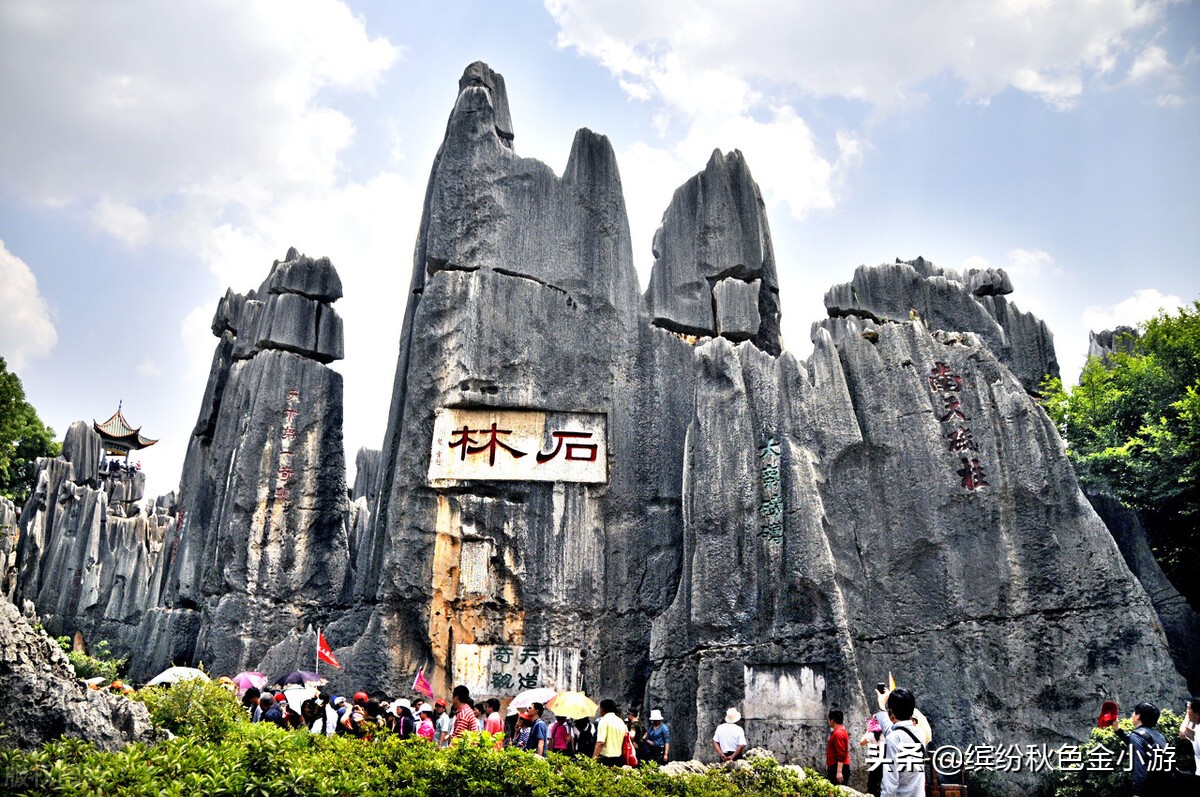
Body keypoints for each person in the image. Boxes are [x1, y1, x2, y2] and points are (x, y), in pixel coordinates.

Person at [1114, 702, 1168, 796]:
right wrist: (1118, 729)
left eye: (1134, 712)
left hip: (1149, 788)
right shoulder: (1159, 736)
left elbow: (1139, 767)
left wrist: (1137, 793)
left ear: (1138, 716)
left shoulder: (1137, 736)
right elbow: (1140, 744)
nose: (1132, 715)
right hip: (1164, 785)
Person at [881, 688, 925, 797]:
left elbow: (890, 782)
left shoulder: (893, 738)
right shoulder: (920, 733)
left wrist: (882, 708)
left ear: (891, 712)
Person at [593, 699, 627, 766]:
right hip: (619, 758)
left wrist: (593, 759)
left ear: (602, 709)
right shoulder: (620, 721)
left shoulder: (604, 721)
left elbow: (600, 743)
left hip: (606, 759)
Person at [827, 708, 851, 786]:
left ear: (832, 720)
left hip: (837, 767)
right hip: (837, 767)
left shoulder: (838, 733)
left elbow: (841, 753)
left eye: (829, 719)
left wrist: (839, 772)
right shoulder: (841, 731)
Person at [1180, 698, 1200, 773]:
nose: (1188, 712)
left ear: (1197, 714)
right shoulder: (1196, 726)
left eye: (1189, 709)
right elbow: (1183, 733)